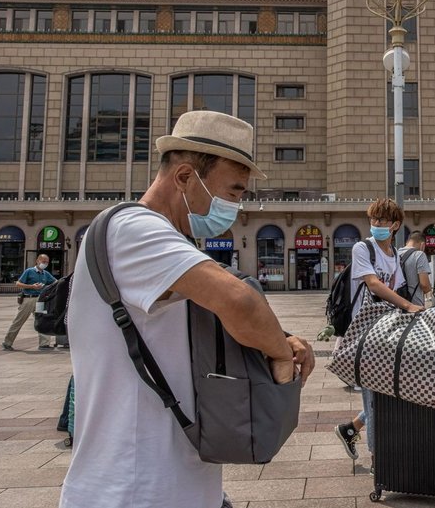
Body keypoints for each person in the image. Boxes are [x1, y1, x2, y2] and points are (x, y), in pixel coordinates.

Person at [60, 111, 315, 508]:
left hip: (170, 483)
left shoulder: (163, 241)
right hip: (132, 488)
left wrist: (277, 338)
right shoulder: (134, 230)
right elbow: (238, 301)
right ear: (184, 177)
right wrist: (281, 356)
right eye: (233, 192)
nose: (236, 206)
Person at [335, 198, 424, 463]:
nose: (376, 225)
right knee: (374, 398)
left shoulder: (394, 254)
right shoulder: (363, 248)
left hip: (386, 332)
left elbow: (394, 289)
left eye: (382, 221)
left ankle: (349, 430)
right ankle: (379, 460)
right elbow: (373, 284)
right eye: (373, 220)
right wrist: (409, 306)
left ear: (395, 225)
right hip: (365, 333)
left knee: (387, 392)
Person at [2, 254, 57, 351]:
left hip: (40, 300)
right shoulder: (29, 271)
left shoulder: (45, 274)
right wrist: (32, 286)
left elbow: (55, 282)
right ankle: (7, 342)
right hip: (29, 299)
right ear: (37, 261)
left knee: (43, 320)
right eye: (43, 261)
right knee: (19, 320)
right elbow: (18, 284)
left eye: (47, 262)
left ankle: (44, 344)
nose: (45, 264)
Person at [397, 230, 432, 309]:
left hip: (397, 304)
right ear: (422, 245)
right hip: (415, 306)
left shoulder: (395, 253)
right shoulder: (419, 255)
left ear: (407, 242)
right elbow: (425, 285)